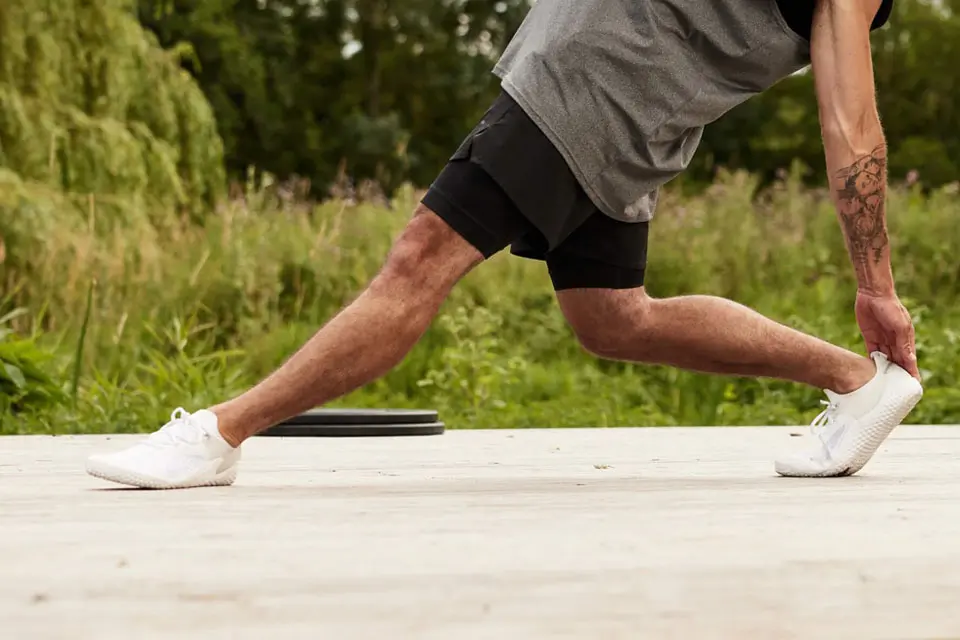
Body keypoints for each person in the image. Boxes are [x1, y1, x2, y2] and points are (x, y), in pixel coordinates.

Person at [86, 0, 923, 489]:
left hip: (587, 91)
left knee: (419, 258)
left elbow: (851, 123)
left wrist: (875, 284)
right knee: (613, 318)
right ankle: (855, 382)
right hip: (625, 103)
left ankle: (221, 436)